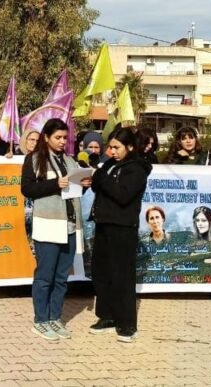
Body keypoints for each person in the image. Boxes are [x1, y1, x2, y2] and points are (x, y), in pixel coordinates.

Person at [20, 118, 90, 342]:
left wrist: (84, 186)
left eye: (64, 138)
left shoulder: (70, 161)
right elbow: (27, 188)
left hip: (69, 225)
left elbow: (74, 192)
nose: (62, 142)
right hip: (48, 224)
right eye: (57, 137)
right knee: (45, 276)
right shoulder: (34, 159)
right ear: (47, 137)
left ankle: (54, 317)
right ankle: (40, 320)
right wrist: (54, 185)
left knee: (61, 277)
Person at [89, 127, 152, 343]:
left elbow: (122, 195)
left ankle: (126, 324)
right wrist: (100, 175)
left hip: (123, 227)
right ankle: (107, 316)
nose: (111, 151)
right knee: (102, 272)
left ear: (130, 147)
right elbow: (97, 185)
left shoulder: (136, 169)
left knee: (122, 276)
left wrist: (102, 178)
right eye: (110, 147)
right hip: (104, 224)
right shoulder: (110, 165)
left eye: (117, 147)